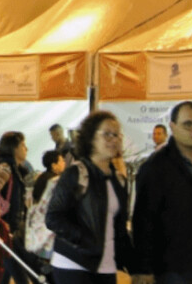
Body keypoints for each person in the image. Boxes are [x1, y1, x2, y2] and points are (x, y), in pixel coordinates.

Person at [131, 101, 192, 284]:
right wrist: (144, 268)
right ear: (172, 126)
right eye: (188, 124)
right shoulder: (157, 167)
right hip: (171, 267)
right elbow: (143, 220)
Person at [45, 111, 133, 283]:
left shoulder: (118, 180)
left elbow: (119, 229)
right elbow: (53, 218)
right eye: (107, 134)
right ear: (91, 138)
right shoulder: (76, 173)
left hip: (106, 265)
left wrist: (135, 266)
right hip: (73, 264)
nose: (114, 139)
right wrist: (84, 239)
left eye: (116, 134)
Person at [0, 131, 29, 284]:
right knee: (19, 276)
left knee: (2, 275)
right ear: (13, 148)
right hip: (6, 231)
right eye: (22, 145)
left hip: (11, 232)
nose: (26, 149)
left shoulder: (16, 169)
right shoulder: (5, 168)